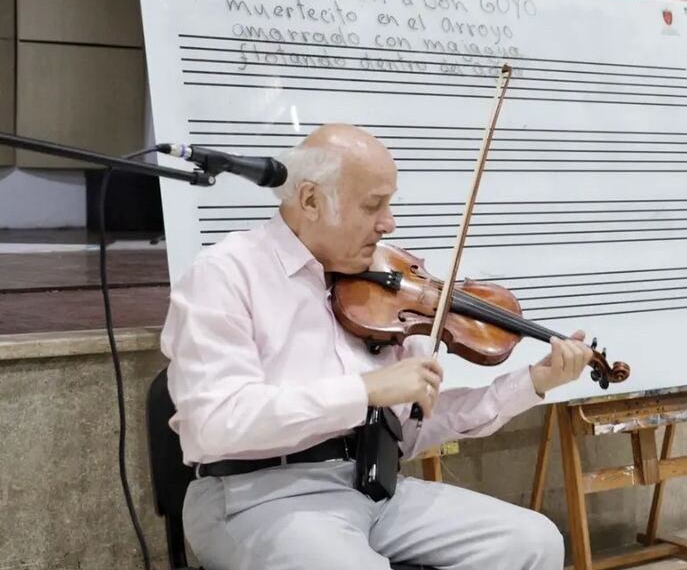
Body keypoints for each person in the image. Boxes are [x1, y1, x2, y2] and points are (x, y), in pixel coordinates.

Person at [161, 124, 596, 570]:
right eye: (373, 206)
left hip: (374, 488)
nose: (389, 223)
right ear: (310, 200)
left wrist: (531, 383)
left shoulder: (381, 291)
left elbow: (407, 431)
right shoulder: (225, 274)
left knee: (533, 541)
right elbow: (214, 422)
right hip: (255, 496)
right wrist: (364, 390)